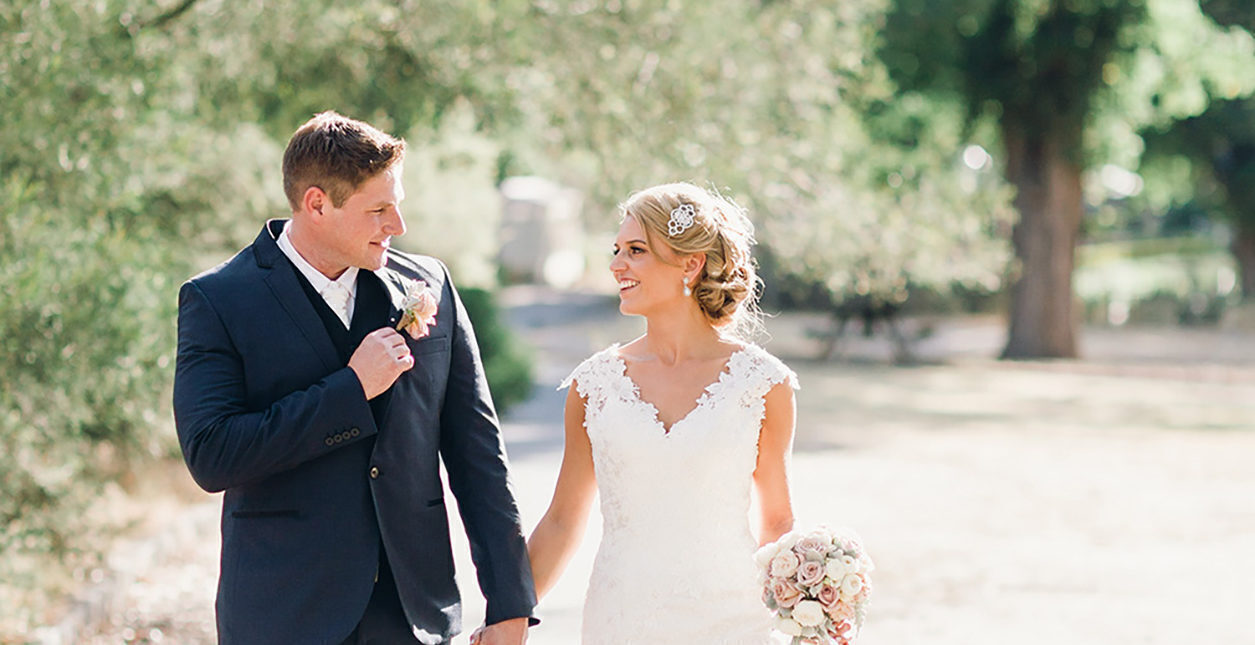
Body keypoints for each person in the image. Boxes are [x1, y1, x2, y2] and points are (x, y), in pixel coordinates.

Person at [172, 111, 536, 645]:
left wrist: (511, 603)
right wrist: (351, 390)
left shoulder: (429, 283)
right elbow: (212, 455)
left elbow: (478, 453)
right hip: (284, 615)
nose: (398, 225)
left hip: (416, 616)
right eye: (379, 210)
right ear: (317, 204)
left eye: (398, 205)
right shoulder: (219, 300)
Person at [522, 182, 799, 644]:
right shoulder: (593, 386)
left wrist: (804, 616)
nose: (616, 265)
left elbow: (778, 522)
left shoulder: (763, 383)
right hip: (622, 620)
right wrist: (511, 616)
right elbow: (562, 521)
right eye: (617, 250)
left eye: (635, 250)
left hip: (734, 622)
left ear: (690, 264)